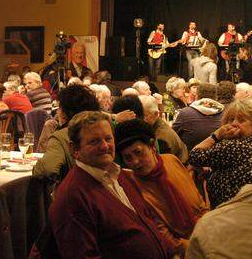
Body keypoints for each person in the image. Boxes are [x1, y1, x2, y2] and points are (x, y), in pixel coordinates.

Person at [49, 111, 174, 259]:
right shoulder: (73, 197)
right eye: (94, 141)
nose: (104, 146)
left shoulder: (122, 176)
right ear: (75, 149)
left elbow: (149, 220)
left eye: (108, 138)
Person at [115, 119, 208, 256]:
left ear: (152, 147)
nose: (135, 162)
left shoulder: (171, 160)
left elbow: (199, 202)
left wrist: (209, 232)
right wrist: (196, 249)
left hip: (206, 233)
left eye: (138, 152)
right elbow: (162, 234)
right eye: (128, 158)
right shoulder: (132, 187)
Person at [188, 100, 252, 208]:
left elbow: (194, 156)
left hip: (230, 213)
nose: (234, 123)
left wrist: (216, 135)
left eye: (241, 120)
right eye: (231, 119)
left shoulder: (234, 146)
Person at [33, 84, 100, 181]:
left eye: (59, 108)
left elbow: (44, 171)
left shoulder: (61, 136)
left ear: (63, 112)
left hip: (75, 191)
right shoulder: (103, 130)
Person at [173, 83, 224, 151]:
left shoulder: (185, 113)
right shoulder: (226, 113)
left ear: (197, 96)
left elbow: (173, 136)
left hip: (190, 158)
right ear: (216, 97)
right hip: (218, 158)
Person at [140, 95, 188, 163]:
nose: (137, 120)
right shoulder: (157, 127)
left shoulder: (161, 138)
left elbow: (163, 167)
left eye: (142, 116)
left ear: (156, 114)